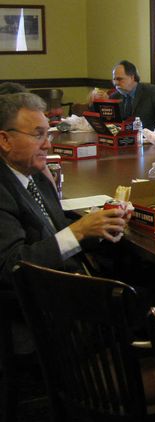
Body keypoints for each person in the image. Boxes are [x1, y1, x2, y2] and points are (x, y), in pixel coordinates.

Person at [0, 93, 128, 286]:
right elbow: (11, 267)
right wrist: (79, 230)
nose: (48, 144)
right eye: (38, 135)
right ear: (5, 140)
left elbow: (56, 227)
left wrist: (102, 224)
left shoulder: (35, 174)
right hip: (44, 300)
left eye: (47, 134)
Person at [110, 60, 155, 131]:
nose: (116, 83)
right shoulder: (114, 97)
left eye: (119, 79)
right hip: (122, 138)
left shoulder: (151, 91)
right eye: (114, 79)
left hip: (146, 137)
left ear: (132, 77)